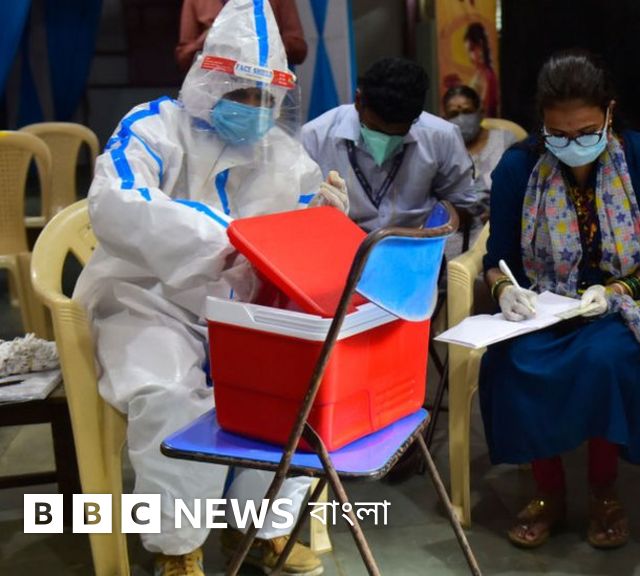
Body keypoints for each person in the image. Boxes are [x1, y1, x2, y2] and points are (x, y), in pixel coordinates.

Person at [74, 2, 344, 575]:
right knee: (171, 396)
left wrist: (327, 215)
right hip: (147, 300)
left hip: (242, 309)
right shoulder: (152, 127)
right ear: (208, 80)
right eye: (241, 93)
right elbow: (117, 204)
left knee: (302, 388)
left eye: (265, 98)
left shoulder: (284, 154)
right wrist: (230, 239)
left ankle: (262, 528)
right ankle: (179, 549)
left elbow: (301, 239)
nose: (255, 109)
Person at [480, 51, 640, 549]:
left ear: (610, 113)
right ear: (542, 125)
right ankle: (547, 491)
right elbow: (495, 258)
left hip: (619, 307)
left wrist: (615, 292)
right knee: (512, 360)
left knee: (604, 359)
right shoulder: (519, 167)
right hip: (542, 307)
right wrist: (505, 290)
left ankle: (603, 490)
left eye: (586, 132)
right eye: (559, 134)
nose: (573, 144)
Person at [301, 57, 479, 233]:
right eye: (375, 128)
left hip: (417, 240)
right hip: (341, 239)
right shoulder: (316, 136)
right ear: (358, 101)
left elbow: (463, 205)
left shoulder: (441, 136)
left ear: (416, 118)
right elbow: (299, 208)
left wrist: (431, 230)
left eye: (397, 134)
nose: (385, 140)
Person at [442, 84, 519, 250]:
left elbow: (522, 185)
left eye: (467, 111)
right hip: (455, 233)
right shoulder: (443, 148)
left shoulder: (506, 140)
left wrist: (501, 211)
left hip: (500, 226)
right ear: (445, 119)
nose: (461, 118)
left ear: (480, 111)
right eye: (453, 114)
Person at [176, 0, 307, 72]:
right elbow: (183, 57)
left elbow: (299, 50)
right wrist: (208, 38)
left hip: (265, 90)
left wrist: (262, 39)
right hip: (213, 92)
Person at [464, 23, 498, 117]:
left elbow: (486, 109)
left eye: (479, 47)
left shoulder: (487, 75)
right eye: (471, 50)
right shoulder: (479, 73)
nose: (477, 53)